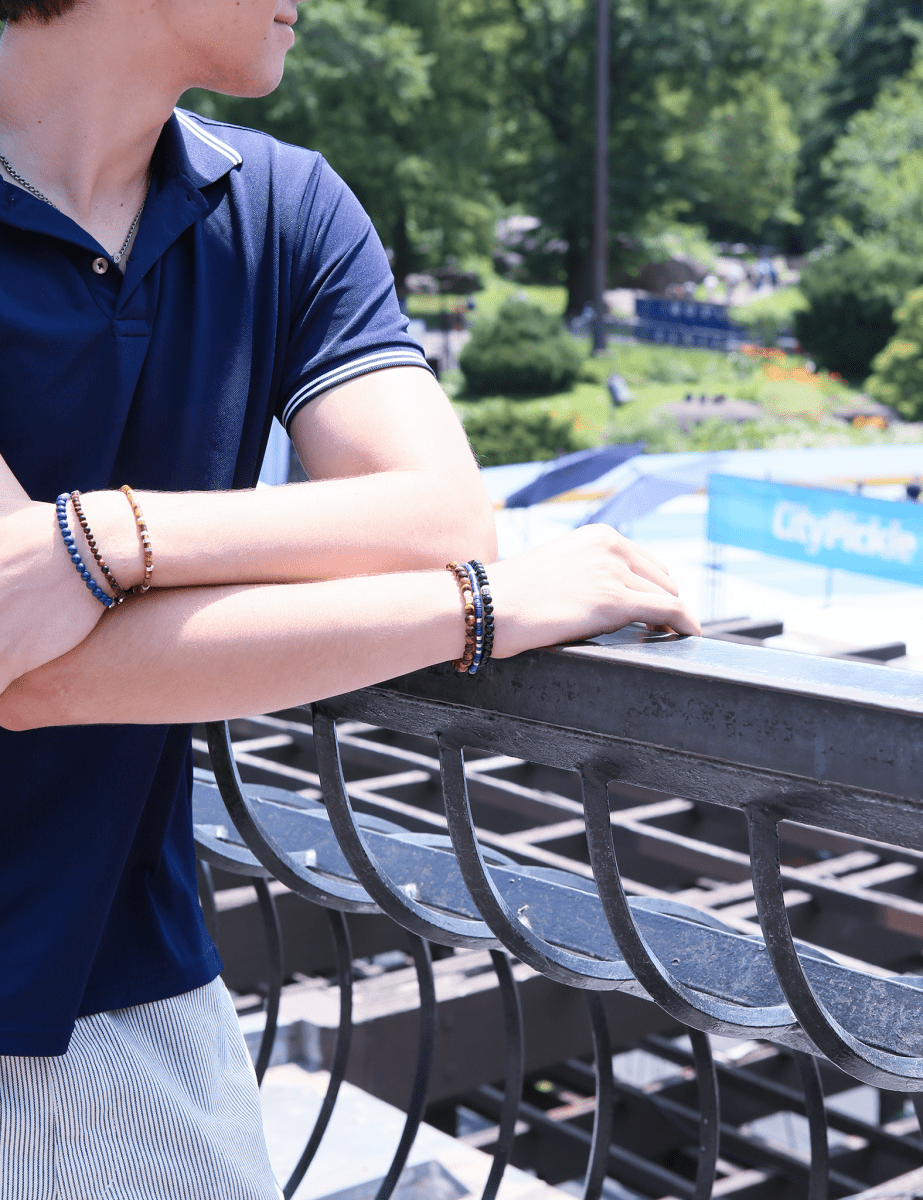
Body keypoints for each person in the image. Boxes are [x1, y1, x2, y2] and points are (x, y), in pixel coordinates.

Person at [0, 0, 699, 1194]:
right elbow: (32, 667)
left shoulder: (284, 207)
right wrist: (474, 611)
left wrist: (103, 537)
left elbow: (433, 517)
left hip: (128, 986)